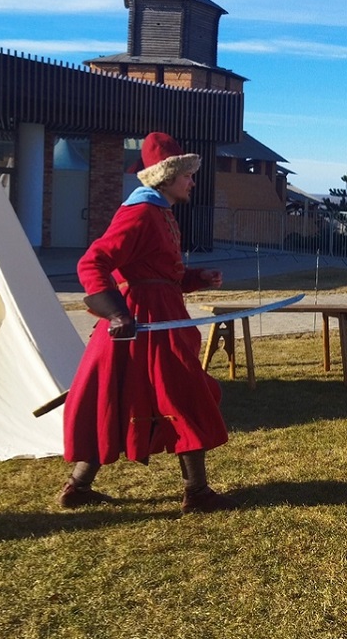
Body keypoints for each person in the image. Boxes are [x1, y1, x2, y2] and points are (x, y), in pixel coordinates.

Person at [58, 131, 238, 514]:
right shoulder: (140, 213)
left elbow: (156, 275)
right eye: (187, 174)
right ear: (167, 176)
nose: (192, 180)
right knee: (182, 396)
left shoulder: (161, 214)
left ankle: (78, 487)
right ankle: (198, 492)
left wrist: (195, 277)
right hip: (141, 324)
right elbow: (92, 263)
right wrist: (116, 313)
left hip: (160, 317)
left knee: (120, 398)